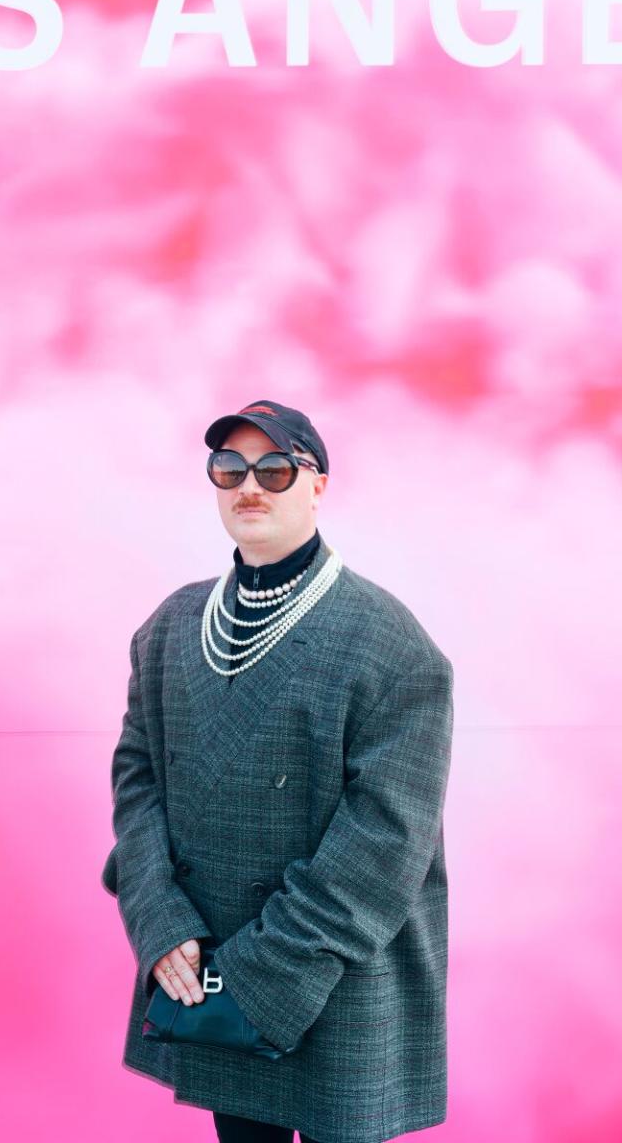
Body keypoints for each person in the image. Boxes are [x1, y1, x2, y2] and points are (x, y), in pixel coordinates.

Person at [101, 400, 455, 1143]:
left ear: (317, 484)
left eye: (275, 467)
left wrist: (262, 975)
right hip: (213, 967)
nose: (249, 486)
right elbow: (136, 782)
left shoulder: (391, 645)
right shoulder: (169, 628)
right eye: (229, 468)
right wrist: (160, 921)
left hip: (338, 981)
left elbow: (386, 847)